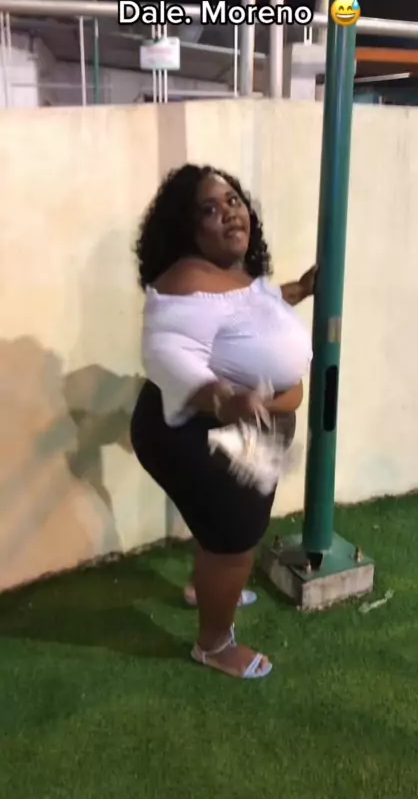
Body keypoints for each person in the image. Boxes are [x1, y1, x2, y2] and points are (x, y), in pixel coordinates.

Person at [130, 164, 315, 680]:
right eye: (209, 209)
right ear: (187, 228)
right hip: (206, 430)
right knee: (234, 540)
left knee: (220, 530)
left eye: (233, 200)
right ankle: (214, 644)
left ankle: (206, 587)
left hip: (238, 428)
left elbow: (255, 308)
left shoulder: (232, 272)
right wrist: (223, 399)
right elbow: (165, 352)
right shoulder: (187, 280)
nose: (230, 213)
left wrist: (299, 289)